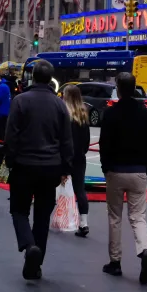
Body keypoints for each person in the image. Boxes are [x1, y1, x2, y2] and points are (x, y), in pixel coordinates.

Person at [5, 60, 73, 280]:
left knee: (19, 210)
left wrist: (10, 160)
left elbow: (11, 135)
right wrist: (65, 167)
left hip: (24, 164)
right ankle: (36, 261)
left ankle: (28, 245)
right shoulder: (59, 104)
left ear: (32, 77)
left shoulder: (20, 101)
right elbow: (66, 140)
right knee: (42, 216)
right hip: (51, 166)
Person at [98, 72, 147, 284]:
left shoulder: (111, 114)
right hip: (139, 170)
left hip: (116, 170)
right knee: (138, 216)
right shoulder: (145, 114)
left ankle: (115, 261)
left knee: (115, 216)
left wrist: (106, 167)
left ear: (118, 88)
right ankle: (145, 249)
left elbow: (104, 144)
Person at [63, 84, 91, 237]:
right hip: (79, 157)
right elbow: (86, 139)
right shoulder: (83, 113)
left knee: (54, 187)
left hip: (64, 157)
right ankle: (83, 222)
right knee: (80, 189)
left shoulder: (64, 113)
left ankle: (54, 217)